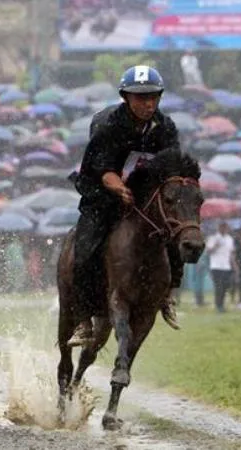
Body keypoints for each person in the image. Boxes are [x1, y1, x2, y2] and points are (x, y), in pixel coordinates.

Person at [67, 65, 183, 347]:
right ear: (125, 97)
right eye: (140, 97)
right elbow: (102, 169)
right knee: (83, 251)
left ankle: (166, 294)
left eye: (153, 97)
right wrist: (119, 187)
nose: (148, 103)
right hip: (103, 196)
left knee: (176, 236)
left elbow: (171, 166)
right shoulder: (109, 126)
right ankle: (83, 319)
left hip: (143, 200)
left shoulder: (165, 127)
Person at [206, 222, 237, 312]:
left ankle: (221, 303)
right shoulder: (213, 238)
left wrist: (234, 265)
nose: (224, 229)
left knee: (225, 286)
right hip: (216, 266)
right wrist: (216, 245)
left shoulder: (229, 239)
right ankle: (218, 305)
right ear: (219, 228)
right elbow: (208, 251)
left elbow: (231, 253)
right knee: (218, 286)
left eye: (225, 227)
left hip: (226, 266)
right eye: (222, 227)